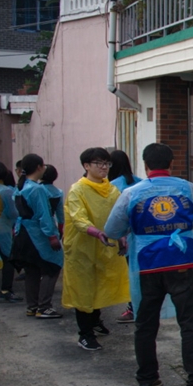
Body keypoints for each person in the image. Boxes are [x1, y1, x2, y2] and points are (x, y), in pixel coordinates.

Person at [105, 143, 193, 386]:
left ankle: (148, 378)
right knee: (190, 323)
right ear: (171, 164)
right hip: (181, 261)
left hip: (146, 264)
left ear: (146, 165)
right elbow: (192, 220)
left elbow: (112, 230)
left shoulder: (131, 193)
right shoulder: (187, 188)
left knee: (145, 323)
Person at [61, 148, 129, 351]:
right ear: (86, 166)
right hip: (82, 249)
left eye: (107, 163)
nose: (103, 167)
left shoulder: (112, 190)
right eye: (98, 163)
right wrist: (97, 233)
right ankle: (85, 334)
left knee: (100, 284)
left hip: (104, 247)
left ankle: (95, 321)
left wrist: (122, 236)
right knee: (83, 290)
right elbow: (78, 218)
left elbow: (119, 216)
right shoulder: (78, 190)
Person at [11, 154, 63, 319]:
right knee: (52, 266)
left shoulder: (21, 187)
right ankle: (44, 306)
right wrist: (52, 236)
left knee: (32, 269)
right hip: (37, 234)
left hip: (23, 233)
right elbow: (44, 215)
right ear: (39, 167)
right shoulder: (37, 189)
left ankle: (32, 306)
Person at [108, 149, 143, 323]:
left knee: (128, 276)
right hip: (141, 237)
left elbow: (113, 217)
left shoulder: (112, 185)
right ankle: (138, 307)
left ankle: (132, 309)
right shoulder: (139, 182)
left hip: (123, 236)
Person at [0, 161, 22, 303]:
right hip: (2, 229)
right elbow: (13, 213)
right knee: (8, 259)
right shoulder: (6, 191)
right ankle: (5, 290)